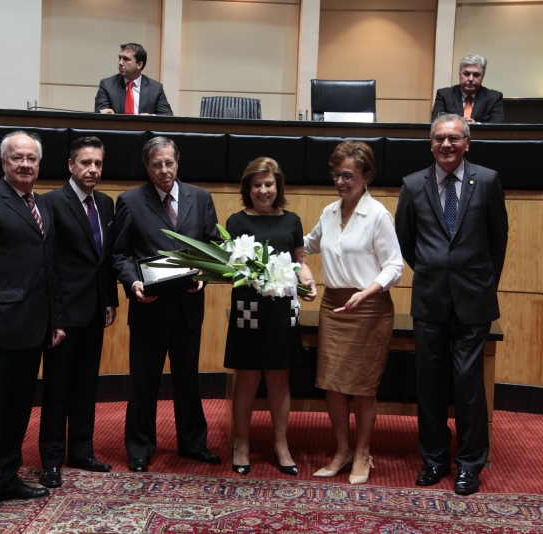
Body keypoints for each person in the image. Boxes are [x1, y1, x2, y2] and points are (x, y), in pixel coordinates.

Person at [395, 113, 508, 496]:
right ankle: (434, 459)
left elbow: (498, 241)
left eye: (454, 139)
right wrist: (433, 270)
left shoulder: (488, 180)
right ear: (431, 143)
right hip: (429, 299)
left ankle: (470, 464)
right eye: (440, 139)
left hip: (473, 301)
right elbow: (406, 242)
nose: (447, 145)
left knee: (468, 384)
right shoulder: (412, 185)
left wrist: (480, 281)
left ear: (467, 143)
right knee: (429, 384)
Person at [0, 131, 65, 527]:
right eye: (17, 158)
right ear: (3, 163)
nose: (26, 164)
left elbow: (50, 269)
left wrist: (55, 320)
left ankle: (6, 477)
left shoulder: (43, 205)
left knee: (20, 410)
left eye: (32, 159)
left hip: (34, 329)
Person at [111, 136, 219, 473]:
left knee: (188, 380)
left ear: (178, 162)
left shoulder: (200, 198)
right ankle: (140, 448)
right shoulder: (130, 201)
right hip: (150, 305)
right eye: (156, 164)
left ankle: (193, 444)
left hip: (188, 306)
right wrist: (132, 282)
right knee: (144, 382)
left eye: (169, 163)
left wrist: (206, 270)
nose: (163, 170)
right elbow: (119, 253)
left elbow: (213, 245)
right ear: (147, 166)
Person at [304, 141, 404, 485]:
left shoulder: (377, 214)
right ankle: (342, 449)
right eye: (336, 174)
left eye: (348, 175)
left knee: (362, 387)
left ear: (366, 176)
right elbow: (307, 244)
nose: (341, 181)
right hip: (333, 305)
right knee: (332, 382)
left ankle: (363, 453)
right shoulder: (330, 212)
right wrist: (271, 234)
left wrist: (370, 290)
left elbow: (395, 265)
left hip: (369, 307)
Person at [225, 158, 317, 477]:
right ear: (247, 188)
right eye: (256, 185)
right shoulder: (236, 221)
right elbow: (232, 267)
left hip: (283, 310)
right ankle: (241, 444)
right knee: (248, 378)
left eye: (269, 184)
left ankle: (281, 445)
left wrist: (308, 280)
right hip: (248, 309)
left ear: (278, 187)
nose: (263, 190)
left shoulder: (291, 220)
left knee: (279, 378)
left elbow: (299, 261)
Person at [37, 137, 119, 488]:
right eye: (86, 163)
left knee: (87, 384)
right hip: (64, 313)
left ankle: (81, 451)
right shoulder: (52, 203)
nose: (92, 170)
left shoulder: (105, 203)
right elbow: (49, 263)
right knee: (57, 388)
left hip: (95, 308)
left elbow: (106, 259)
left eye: (98, 164)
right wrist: (54, 315)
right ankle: (51, 459)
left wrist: (110, 298)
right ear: (71, 165)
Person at [94, 43, 173, 115]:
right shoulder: (107, 85)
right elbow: (100, 111)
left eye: (126, 59)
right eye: (120, 58)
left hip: (144, 130)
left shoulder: (155, 88)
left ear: (139, 64)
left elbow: (167, 116)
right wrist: (105, 113)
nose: (120, 63)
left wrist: (151, 117)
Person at [431, 55, 503, 123]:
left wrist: (477, 125)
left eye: (476, 75)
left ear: (482, 77)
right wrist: (459, 124)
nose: (471, 79)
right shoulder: (444, 95)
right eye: (466, 74)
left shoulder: (494, 97)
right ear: (459, 74)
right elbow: (436, 122)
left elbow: (497, 124)